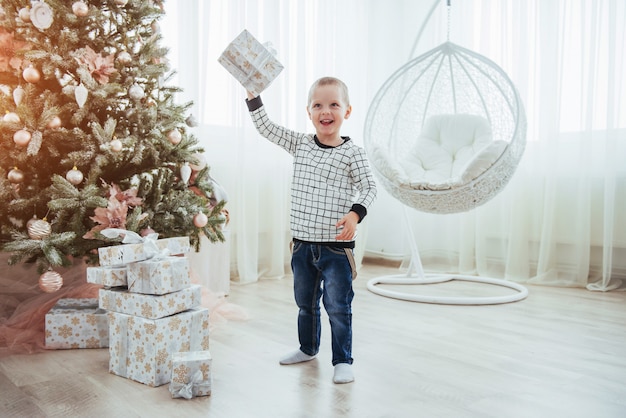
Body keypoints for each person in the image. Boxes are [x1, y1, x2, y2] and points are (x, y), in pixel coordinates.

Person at [245, 76, 377, 384]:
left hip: (335, 248)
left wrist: (355, 215)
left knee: (338, 306)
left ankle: (342, 360)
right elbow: (267, 129)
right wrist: (254, 96)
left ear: (347, 111)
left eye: (333, 104)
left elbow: (369, 187)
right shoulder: (301, 144)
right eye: (318, 105)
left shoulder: (352, 153)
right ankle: (307, 348)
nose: (325, 111)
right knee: (305, 304)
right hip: (302, 246)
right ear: (308, 112)